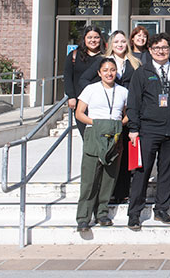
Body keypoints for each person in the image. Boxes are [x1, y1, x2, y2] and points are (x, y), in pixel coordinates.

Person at [126, 33, 170, 231]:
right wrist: (133, 128)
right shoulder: (142, 73)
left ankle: (162, 209)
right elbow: (133, 103)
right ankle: (134, 213)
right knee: (142, 172)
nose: (161, 51)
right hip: (148, 129)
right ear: (150, 50)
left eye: (165, 47)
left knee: (167, 173)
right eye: (157, 48)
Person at [78, 30, 141, 204]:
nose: (120, 45)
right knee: (106, 156)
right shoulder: (102, 62)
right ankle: (106, 194)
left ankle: (122, 191)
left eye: (123, 42)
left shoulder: (134, 62)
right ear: (111, 44)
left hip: (126, 114)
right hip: (106, 119)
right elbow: (84, 80)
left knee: (124, 155)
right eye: (116, 42)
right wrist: (96, 96)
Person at [74, 58, 129, 232]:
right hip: (95, 134)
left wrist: (120, 124)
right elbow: (79, 113)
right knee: (90, 178)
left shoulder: (122, 91)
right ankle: (84, 217)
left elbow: (128, 114)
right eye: (105, 70)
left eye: (112, 70)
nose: (109, 73)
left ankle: (102, 213)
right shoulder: (90, 89)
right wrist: (97, 123)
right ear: (99, 73)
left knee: (109, 177)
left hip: (114, 135)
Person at [64, 25, 105, 137]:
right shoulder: (74, 55)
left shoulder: (105, 56)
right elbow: (67, 77)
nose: (93, 40)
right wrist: (71, 96)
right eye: (89, 37)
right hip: (81, 103)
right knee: (87, 137)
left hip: (101, 103)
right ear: (84, 39)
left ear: (100, 39)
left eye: (96, 37)